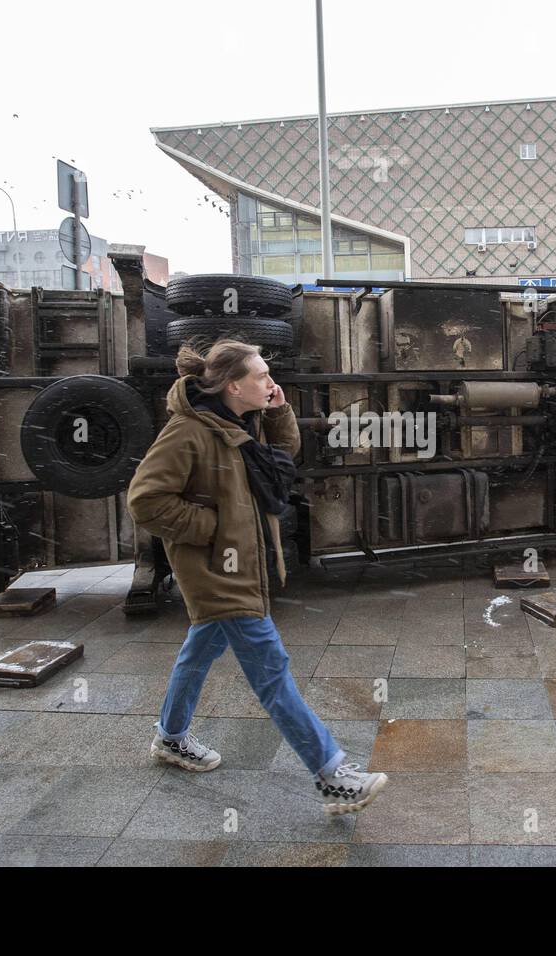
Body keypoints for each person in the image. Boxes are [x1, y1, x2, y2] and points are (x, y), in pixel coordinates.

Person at [127, 339, 388, 816]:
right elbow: (145, 501)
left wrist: (277, 412)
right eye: (262, 376)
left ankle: (170, 737)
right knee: (272, 672)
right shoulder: (188, 431)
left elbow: (278, 462)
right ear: (233, 385)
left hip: (239, 565)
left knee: (199, 651)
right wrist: (215, 529)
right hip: (217, 572)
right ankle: (332, 773)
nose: (270, 382)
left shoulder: (237, 422)